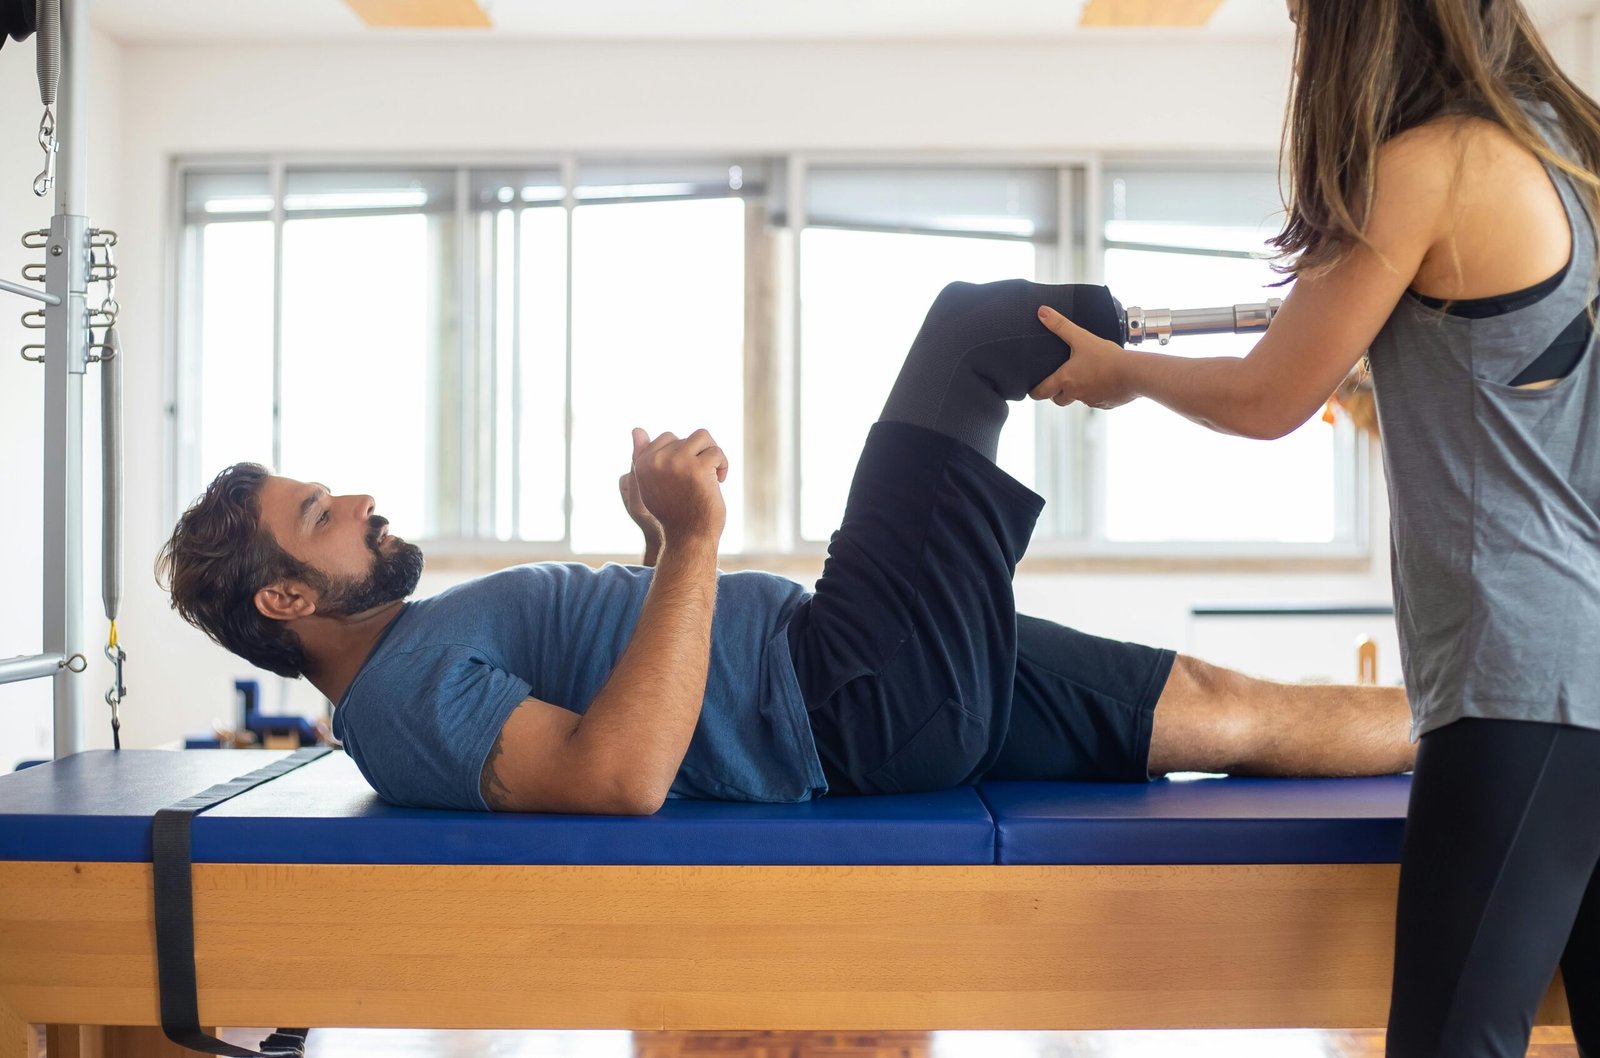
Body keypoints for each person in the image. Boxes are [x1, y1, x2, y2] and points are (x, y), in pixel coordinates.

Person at [159, 277, 1412, 823]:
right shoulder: (404, 699)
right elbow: (618, 777)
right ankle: (1307, 335)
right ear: (284, 592)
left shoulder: (413, 656)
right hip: (848, 687)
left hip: (855, 683)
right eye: (322, 512)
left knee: (1218, 706)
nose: (361, 499)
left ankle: (1481, 722)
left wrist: (659, 547)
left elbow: (638, 682)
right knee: (974, 330)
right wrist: (698, 538)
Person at [1028, 2, 1600, 1055]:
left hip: (1525, 676)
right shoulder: (1565, 147)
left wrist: (1122, 373)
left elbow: (1267, 397)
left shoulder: (1431, 165)